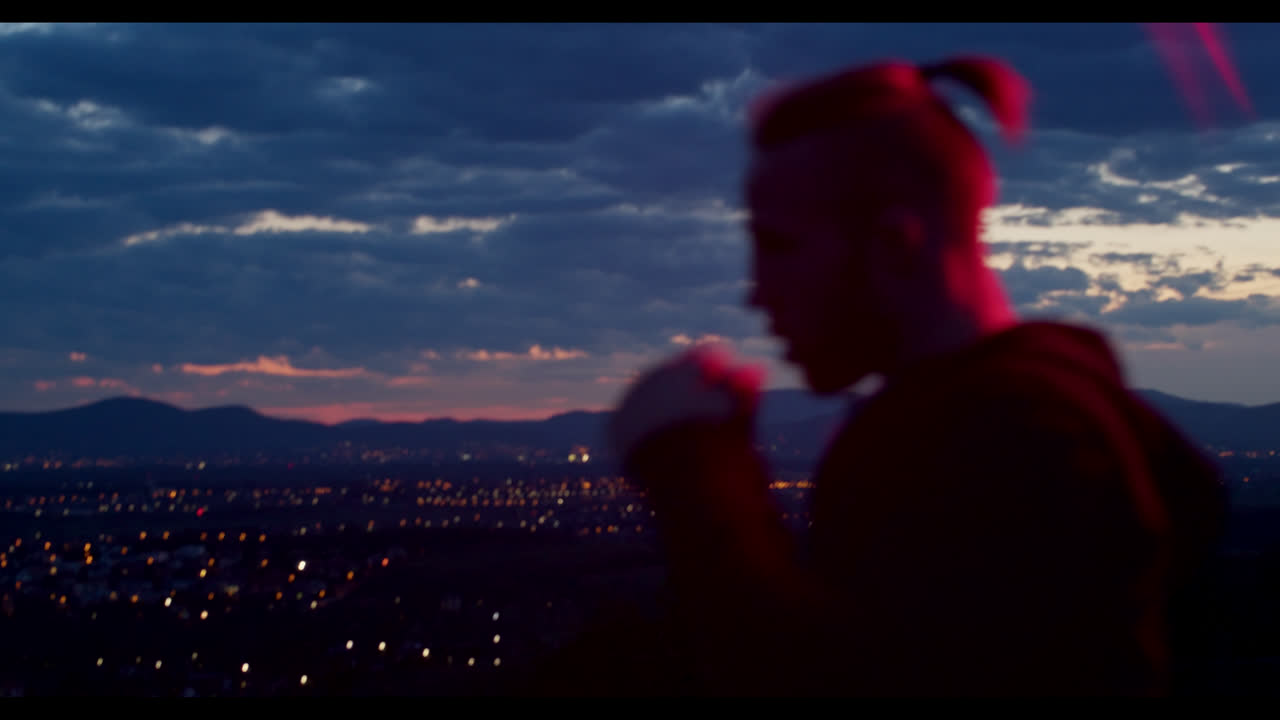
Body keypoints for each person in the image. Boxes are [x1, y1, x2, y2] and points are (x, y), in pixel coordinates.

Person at [602, 56, 1226, 696]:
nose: (757, 293)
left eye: (780, 246)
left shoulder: (1009, 446)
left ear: (894, 244)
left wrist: (695, 471)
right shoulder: (1033, 421)